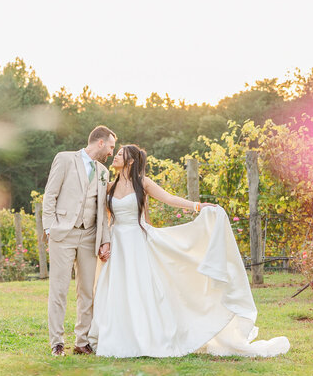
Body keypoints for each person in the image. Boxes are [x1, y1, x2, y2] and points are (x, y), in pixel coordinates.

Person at [88, 144, 290, 358]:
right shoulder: (109, 186)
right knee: (116, 289)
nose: (115, 156)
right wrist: (105, 241)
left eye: (120, 154)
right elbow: (105, 218)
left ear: (130, 161)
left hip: (138, 242)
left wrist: (197, 206)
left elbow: (169, 199)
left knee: (142, 288)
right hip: (117, 243)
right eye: (116, 153)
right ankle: (117, 337)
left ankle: (147, 337)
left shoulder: (142, 183)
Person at [42, 125, 115, 356]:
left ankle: (82, 341)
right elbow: (50, 195)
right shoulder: (64, 159)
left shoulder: (104, 172)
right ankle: (57, 342)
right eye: (111, 147)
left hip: (89, 236)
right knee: (59, 289)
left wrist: (105, 239)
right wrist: (50, 228)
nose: (112, 153)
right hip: (62, 234)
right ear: (100, 143)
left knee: (87, 291)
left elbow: (102, 210)